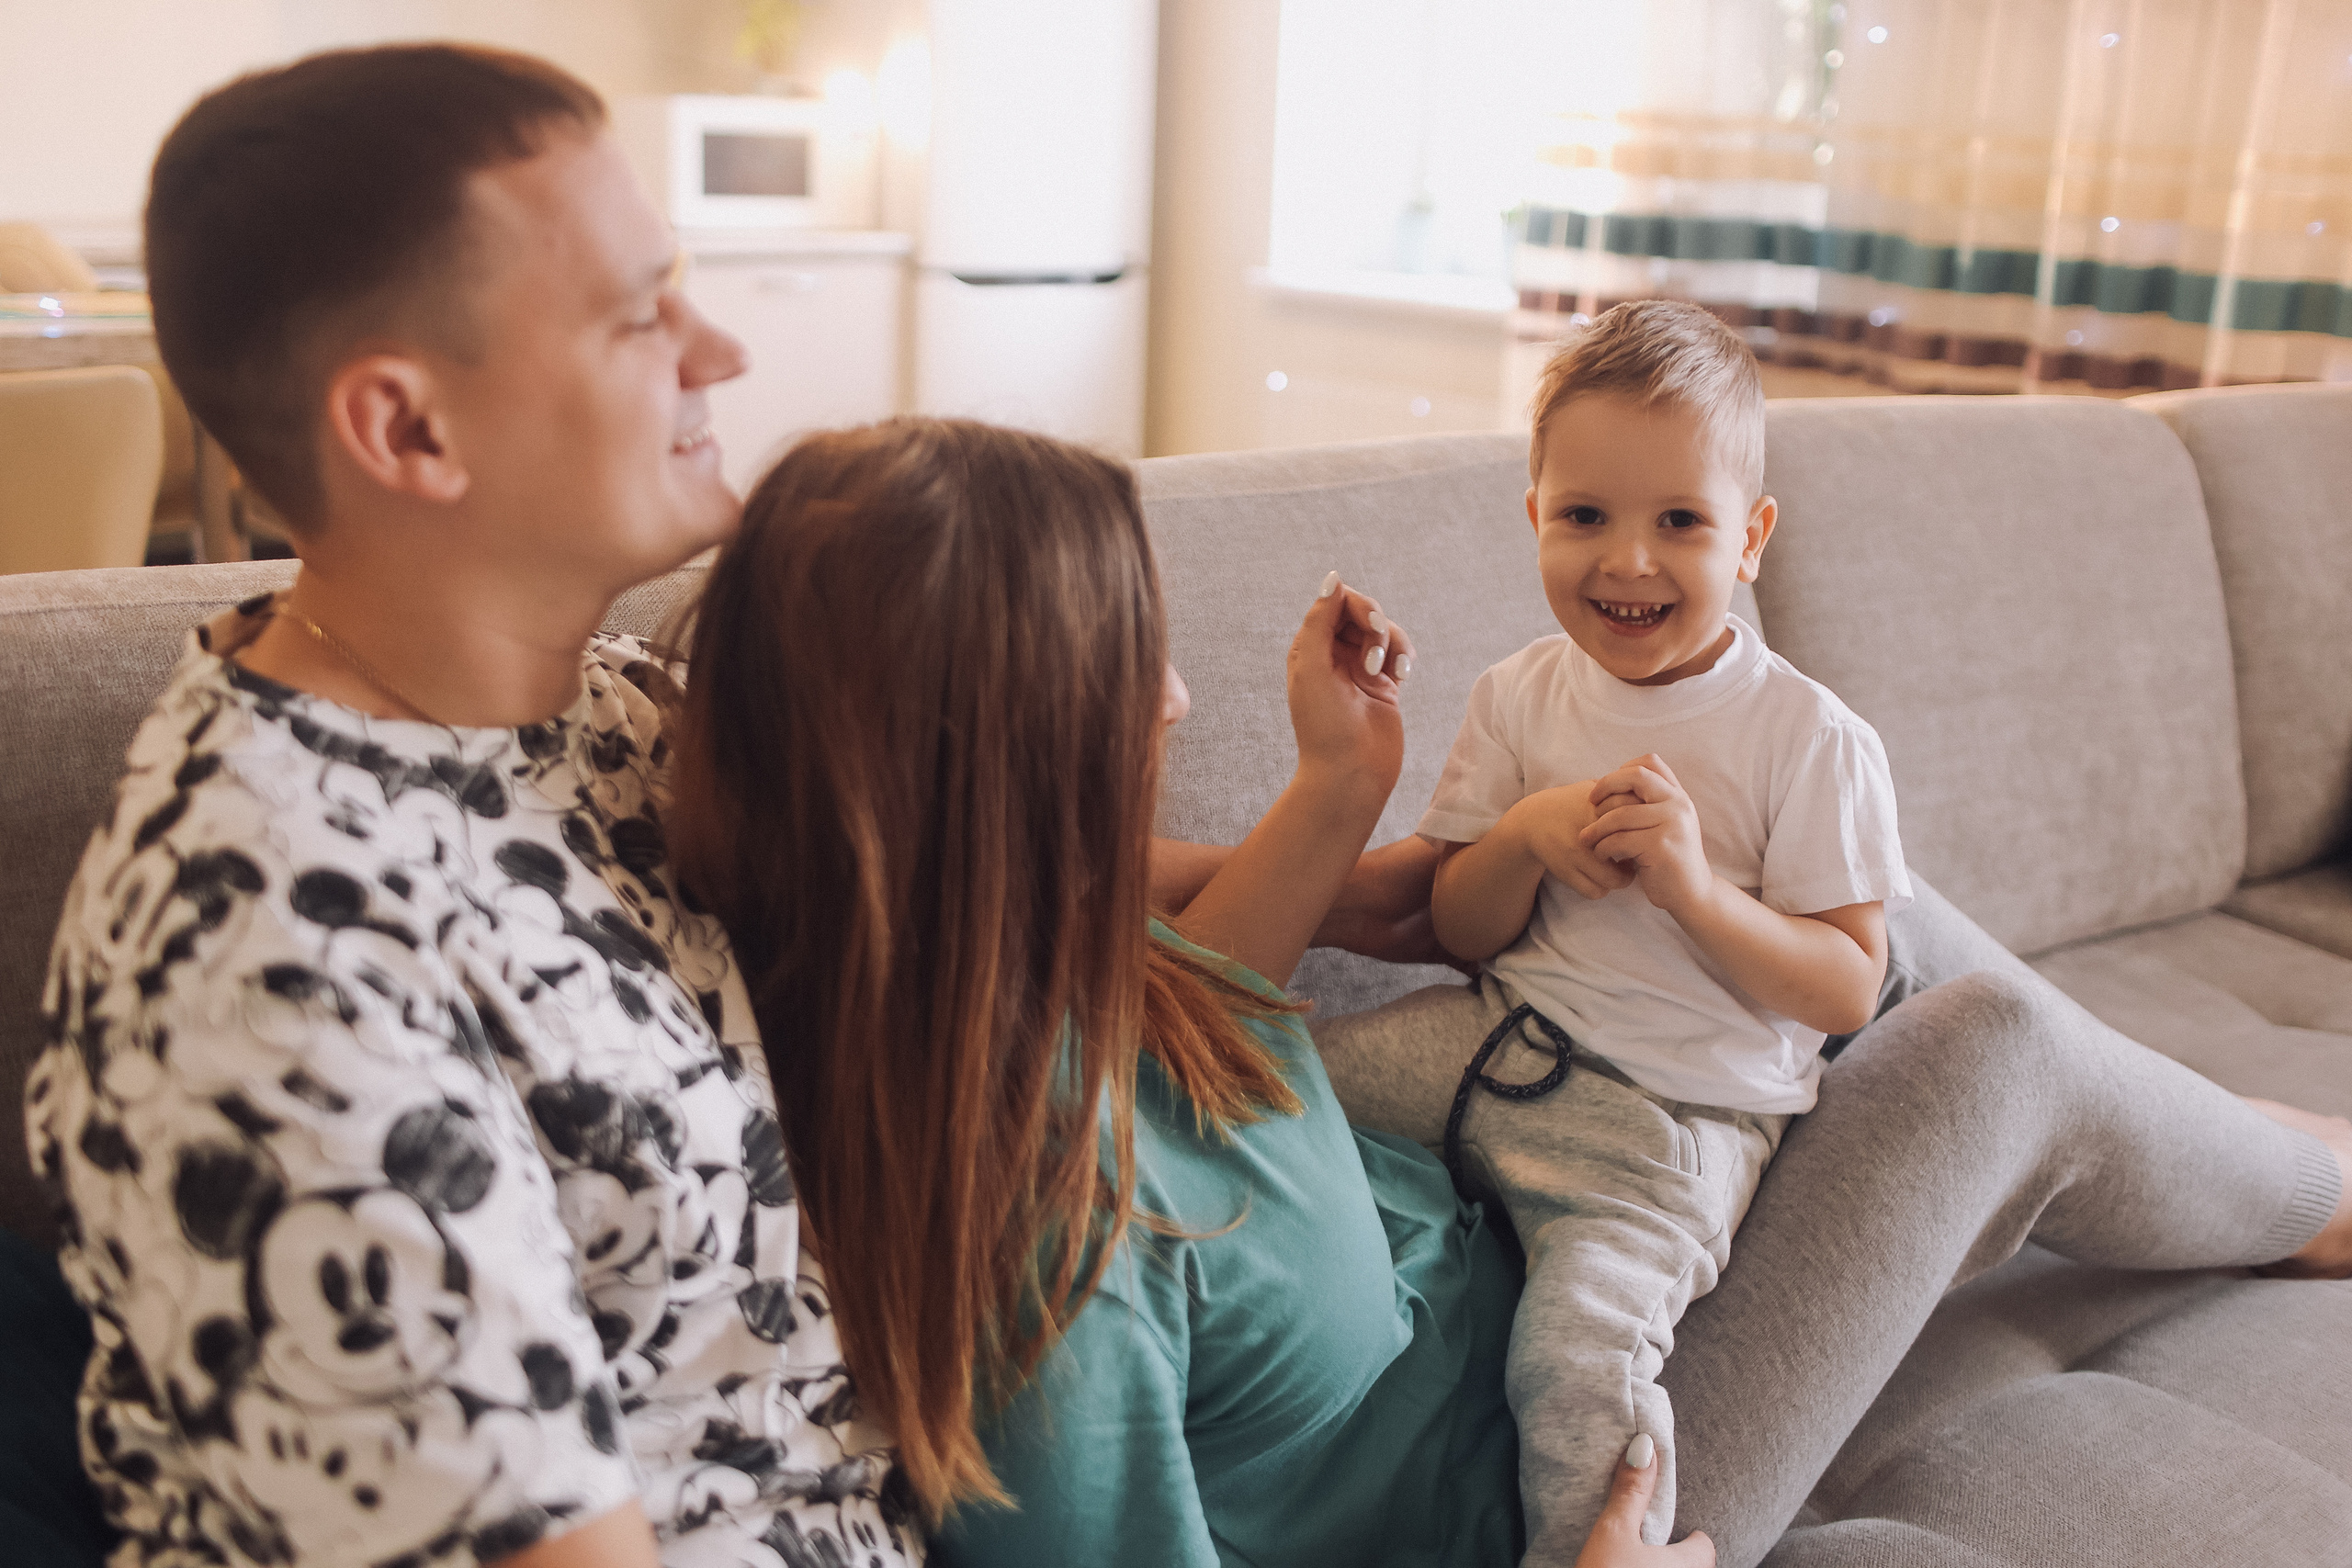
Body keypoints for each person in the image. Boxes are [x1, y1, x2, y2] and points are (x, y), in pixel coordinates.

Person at [17, 45, 1435, 1568]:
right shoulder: (279, 974)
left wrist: (1363, 872)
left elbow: (951, 845)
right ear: (408, 431)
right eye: (640, 315)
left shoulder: (599, 707)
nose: (720, 352)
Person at [662, 417, 2352, 1568]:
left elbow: (1211, 1014)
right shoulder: (1039, 1259)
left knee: (1863, 912)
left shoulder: (988, 931)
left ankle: (2227, 1150)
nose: (1174, 696)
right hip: (1569, 1469)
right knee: (1989, 1053)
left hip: (1520, 1214)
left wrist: (1344, 778)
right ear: (986, 755)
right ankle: (2300, 1187)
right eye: (1126, 662)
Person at [1322, 300, 1905, 1554]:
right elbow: (1463, 927)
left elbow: (1851, 988)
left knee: (1580, 1367)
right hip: (1496, 1035)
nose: (1628, 563)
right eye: (1586, 516)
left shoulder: (1809, 740)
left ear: (1748, 540)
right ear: (1535, 516)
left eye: (1679, 523)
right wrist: (1526, 837)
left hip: (1668, 1126)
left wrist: (1697, 890)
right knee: (1263, 1089)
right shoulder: (1519, 693)